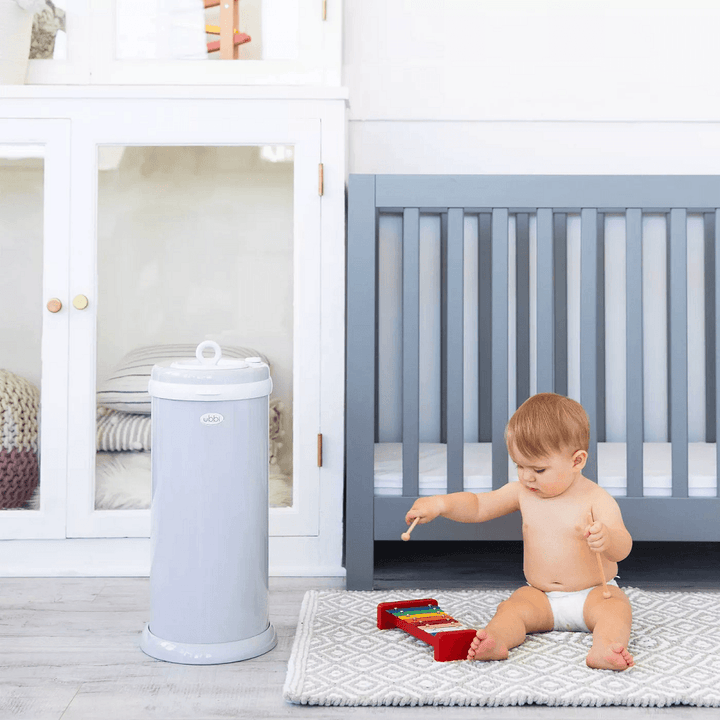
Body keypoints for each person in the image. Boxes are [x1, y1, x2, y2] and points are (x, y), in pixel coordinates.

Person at [405, 392, 634, 670]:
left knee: (616, 610)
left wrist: (607, 539)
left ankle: (604, 649)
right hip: (540, 595)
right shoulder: (523, 492)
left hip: (594, 594)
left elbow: (623, 547)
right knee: (512, 608)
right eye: (520, 466)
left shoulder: (596, 499)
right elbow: (478, 505)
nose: (526, 476)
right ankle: (496, 641)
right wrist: (441, 504)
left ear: (577, 461)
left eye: (539, 469)